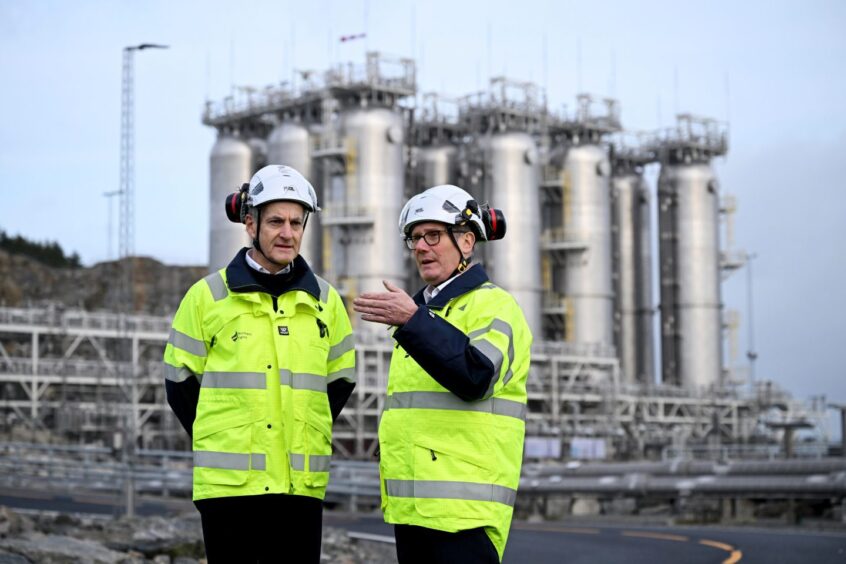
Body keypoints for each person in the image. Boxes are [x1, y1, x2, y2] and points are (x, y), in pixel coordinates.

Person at [164, 164, 356, 563]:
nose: (287, 233)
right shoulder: (207, 297)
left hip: (299, 487)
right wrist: (223, 434)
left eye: (295, 222)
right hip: (231, 490)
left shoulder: (326, 301)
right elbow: (179, 381)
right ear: (250, 223)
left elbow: (340, 382)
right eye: (275, 221)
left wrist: (301, 428)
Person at [352, 184, 532, 563]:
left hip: (465, 515)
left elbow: (475, 377)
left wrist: (413, 321)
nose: (420, 247)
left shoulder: (494, 306)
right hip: (412, 509)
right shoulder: (422, 315)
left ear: (467, 242)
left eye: (433, 235)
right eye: (415, 238)